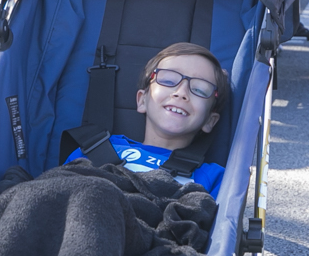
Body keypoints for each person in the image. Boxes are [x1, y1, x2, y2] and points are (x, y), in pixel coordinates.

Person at [63, 42, 227, 193]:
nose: (181, 93)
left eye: (200, 89)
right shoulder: (93, 150)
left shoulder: (212, 177)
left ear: (210, 121)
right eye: (168, 80)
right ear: (142, 100)